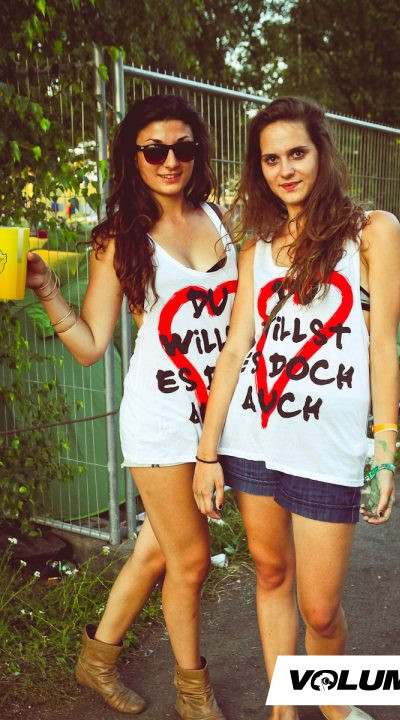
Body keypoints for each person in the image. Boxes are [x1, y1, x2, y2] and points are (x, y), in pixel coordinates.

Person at [26, 94, 237, 720]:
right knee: (190, 560)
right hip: (161, 418)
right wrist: (47, 289)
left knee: (155, 549)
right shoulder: (120, 237)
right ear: (133, 157)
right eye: (154, 149)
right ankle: (193, 691)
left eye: (183, 147)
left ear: (197, 152)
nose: (170, 160)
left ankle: (96, 660)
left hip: (218, 414)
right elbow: (92, 345)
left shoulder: (218, 217)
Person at [193, 97, 400, 720]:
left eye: (297, 154)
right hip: (253, 437)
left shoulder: (372, 232)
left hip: (327, 447)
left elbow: (383, 348)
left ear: (322, 154)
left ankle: (333, 705)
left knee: (319, 608)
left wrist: (384, 454)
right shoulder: (257, 250)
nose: (285, 170)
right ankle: (283, 708)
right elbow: (236, 349)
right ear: (258, 169)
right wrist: (207, 453)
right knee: (270, 574)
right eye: (270, 160)